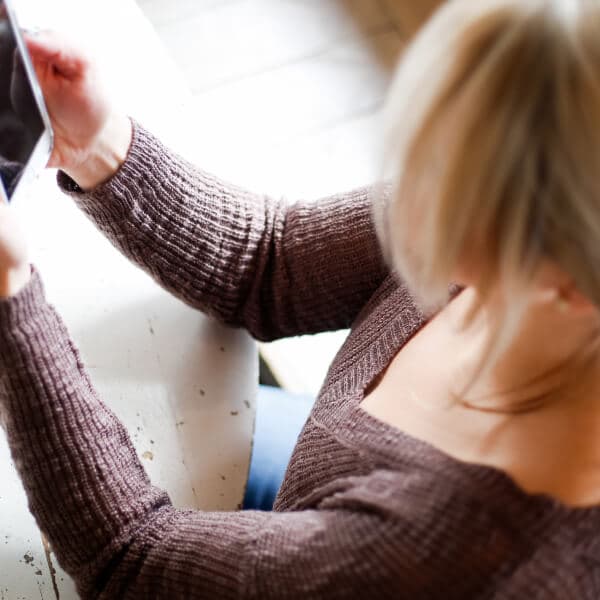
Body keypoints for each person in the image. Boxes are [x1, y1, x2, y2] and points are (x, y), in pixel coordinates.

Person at [0, 0, 599, 597]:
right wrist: (98, 143)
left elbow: (129, 560)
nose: (420, 177)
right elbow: (271, 263)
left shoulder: (443, 561)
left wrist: (12, 297)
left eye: (466, 171)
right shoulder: (522, 236)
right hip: (320, 480)